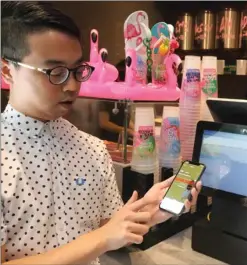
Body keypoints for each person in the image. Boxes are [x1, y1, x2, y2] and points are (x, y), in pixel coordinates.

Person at [0, 2, 201, 264]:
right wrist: (104, 237)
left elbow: (112, 229)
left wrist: (148, 212)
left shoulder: (92, 150)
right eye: (56, 72)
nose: (72, 85)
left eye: (77, 70)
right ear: (7, 71)